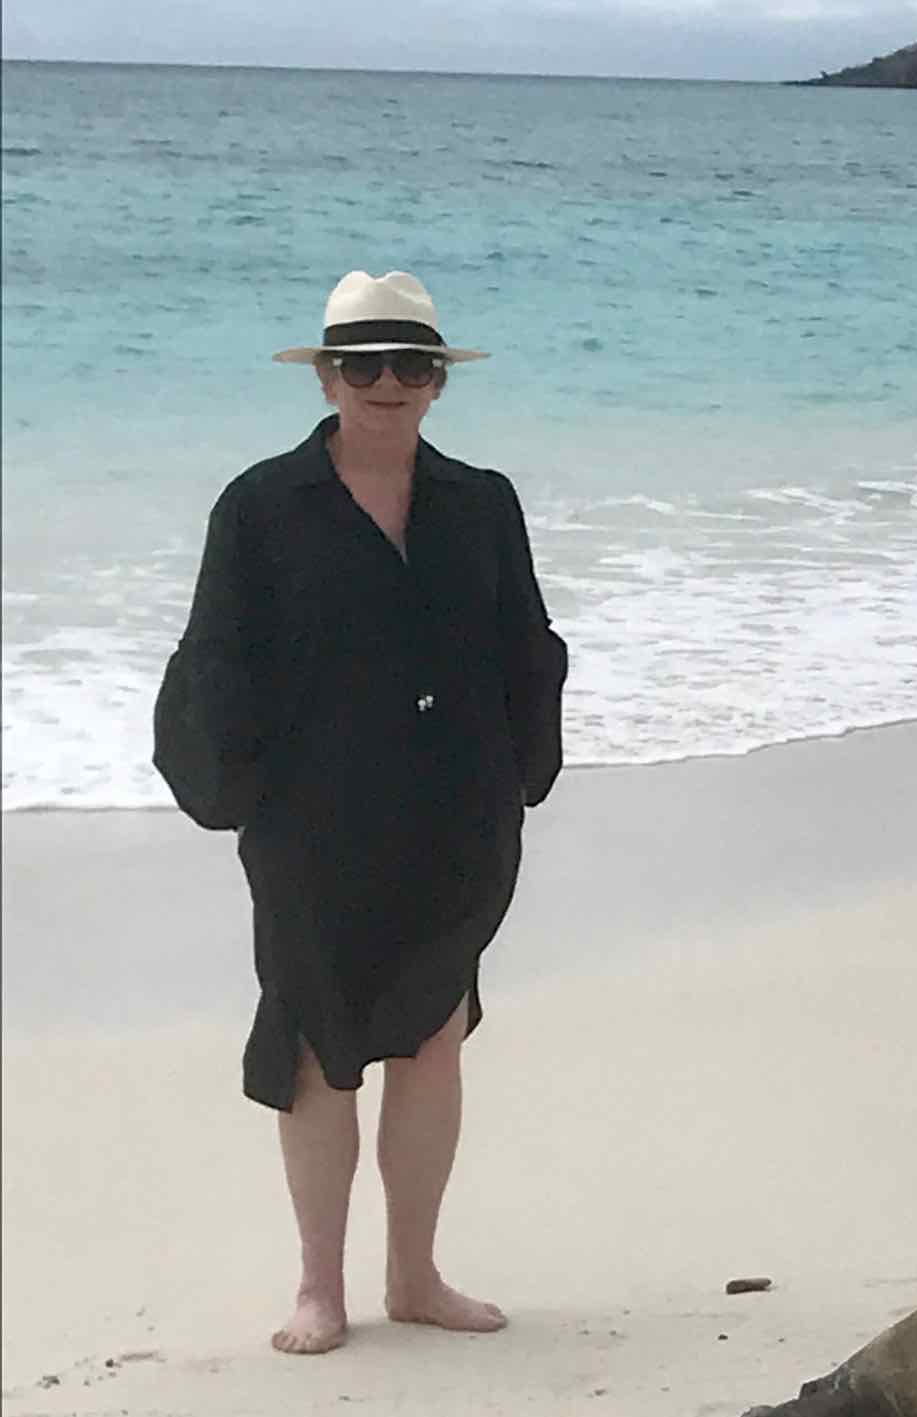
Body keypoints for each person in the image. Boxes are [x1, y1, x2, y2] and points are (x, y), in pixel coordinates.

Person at [153, 270, 568, 1355]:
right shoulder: (258, 506)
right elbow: (213, 662)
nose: (389, 384)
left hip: (454, 818)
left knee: (432, 1039)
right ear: (329, 376)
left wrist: (524, 778)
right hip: (312, 820)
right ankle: (318, 1289)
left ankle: (417, 1275)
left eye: (412, 365)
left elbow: (529, 647)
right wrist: (230, 795)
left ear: (438, 384)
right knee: (317, 1047)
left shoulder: (483, 501)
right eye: (365, 365)